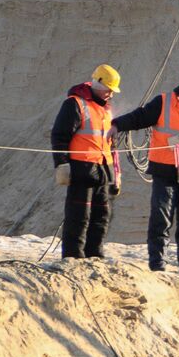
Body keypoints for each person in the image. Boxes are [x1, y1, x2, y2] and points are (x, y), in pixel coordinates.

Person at [111, 65, 179, 272]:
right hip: (164, 168)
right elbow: (139, 117)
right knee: (161, 218)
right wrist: (116, 125)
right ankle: (158, 263)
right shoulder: (164, 102)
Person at [50, 65, 123, 260]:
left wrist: (116, 174)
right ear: (97, 83)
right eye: (108, 89)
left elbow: (111, 143)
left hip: (103, 172)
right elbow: (59, 135)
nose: (110, 94)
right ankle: (74, 257)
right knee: (78, 217)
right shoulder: (75, 104)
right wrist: (62, 164)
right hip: (81, 170)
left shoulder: (106, 110)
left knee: (101, 217)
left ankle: (95, 255)